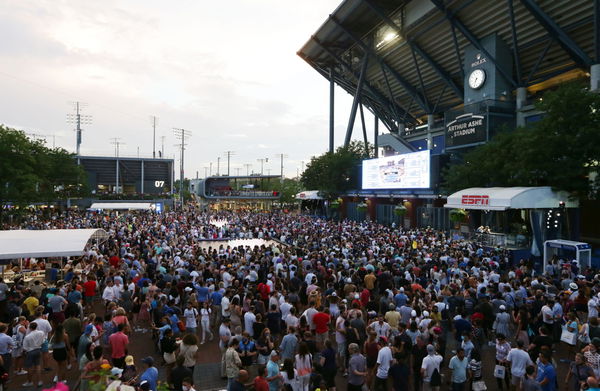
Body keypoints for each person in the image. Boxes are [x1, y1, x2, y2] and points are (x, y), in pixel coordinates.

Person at [22, 321, 44, 387]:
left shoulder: (27, 337)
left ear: (30, 328)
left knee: (29, 367)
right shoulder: (41, 333)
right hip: (38, 350)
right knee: (38, 366)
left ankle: (30, 381)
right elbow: (43, 341)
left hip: (30, 352)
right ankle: (39, 381)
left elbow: (24, 348)